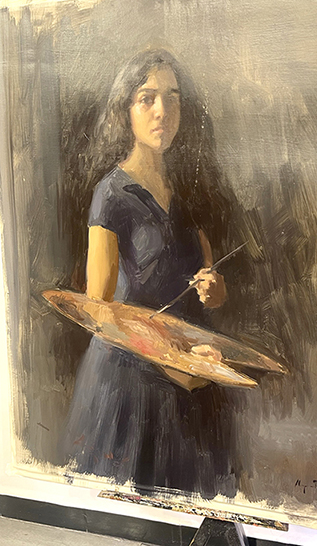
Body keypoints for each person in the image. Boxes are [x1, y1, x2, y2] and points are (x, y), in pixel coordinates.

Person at [63, 49, 242, 498]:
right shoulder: (111, 194)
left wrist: (213, 290)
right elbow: (100, 313)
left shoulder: (190, 192)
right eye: (147, 98)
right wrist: (166, 361)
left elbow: (210, 288)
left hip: (191, 383)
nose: (163, 110)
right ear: (126, 110)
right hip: (129, 392)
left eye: (173, 98)